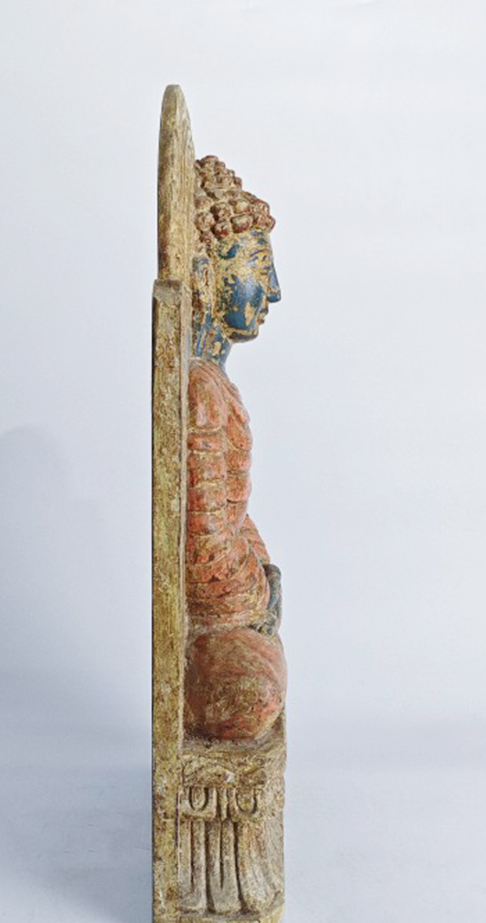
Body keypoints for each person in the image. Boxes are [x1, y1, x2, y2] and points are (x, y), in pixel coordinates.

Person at [184, 156, 287, 742]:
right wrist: (258, 599)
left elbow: (235, 515)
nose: (273, 291)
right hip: (218, 612)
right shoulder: (200, 392)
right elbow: (202, 550)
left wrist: (266, 575)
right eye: (258, 268)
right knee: (254, 696)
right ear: (208, 276)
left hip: (240, 597)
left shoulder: (213, 384)